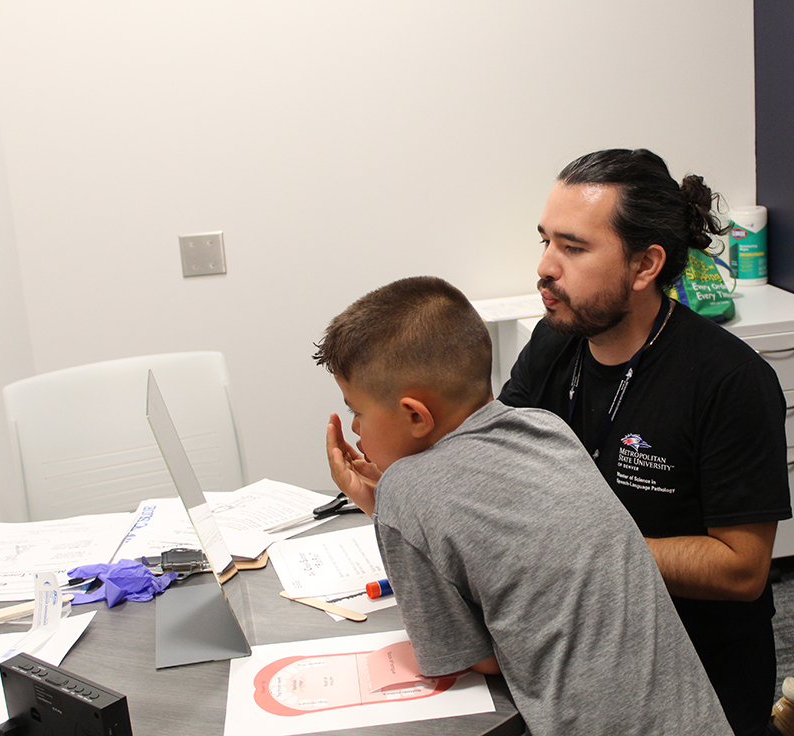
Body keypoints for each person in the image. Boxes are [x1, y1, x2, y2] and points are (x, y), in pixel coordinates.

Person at [314, 275, 732, 736]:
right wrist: (389, 507)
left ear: (416, 415)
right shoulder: (546, 428)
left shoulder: (404, 489)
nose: (354, 429)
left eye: (356, 411)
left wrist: (389, 506)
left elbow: (476, 659)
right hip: (699, 718)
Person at [498, 149, 793, 736]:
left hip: (692, 679)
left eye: (573, 248)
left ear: (645, 265)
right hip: (575, 646)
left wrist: (582, 550)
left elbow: (742, 569)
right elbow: (498, 465)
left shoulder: (729, 381)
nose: (545, 268)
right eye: (545, 242)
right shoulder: (553, 344)